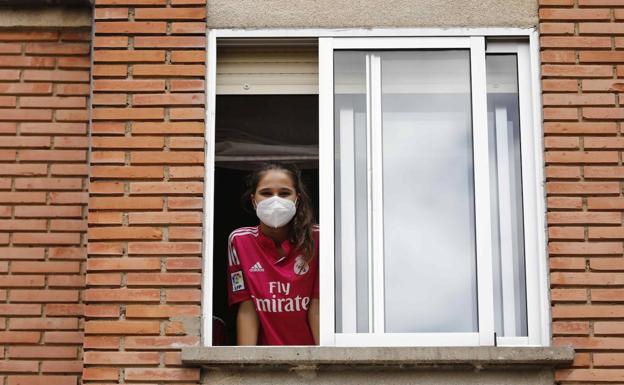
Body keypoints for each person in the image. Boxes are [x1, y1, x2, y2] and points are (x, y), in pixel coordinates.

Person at [226, 163, 319, 345]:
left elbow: (317, 308)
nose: (275, 200)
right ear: (254, 200)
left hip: (309, 358)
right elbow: (247, 308)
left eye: (284, 193)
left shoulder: (318, 238)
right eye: (266, 193)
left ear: (297, 199)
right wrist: (246, 365)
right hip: (266, 360)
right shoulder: (239, 241)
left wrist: (325, 365)